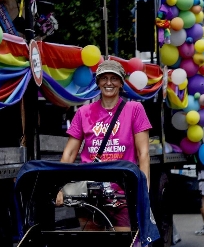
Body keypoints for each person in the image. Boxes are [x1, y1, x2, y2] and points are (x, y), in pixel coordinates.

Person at [60, 60, 151, 230]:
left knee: (123, 243)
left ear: (121, 83)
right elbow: (69, 154)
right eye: (104, 78)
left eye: (114, 78)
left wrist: (144, 190)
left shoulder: (134, 109)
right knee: (93, 244)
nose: (109, 83)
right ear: (98, 82)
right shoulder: (83, 112)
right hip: (89, 193)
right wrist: (58, 187)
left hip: (123, 192)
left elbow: (143, 154)